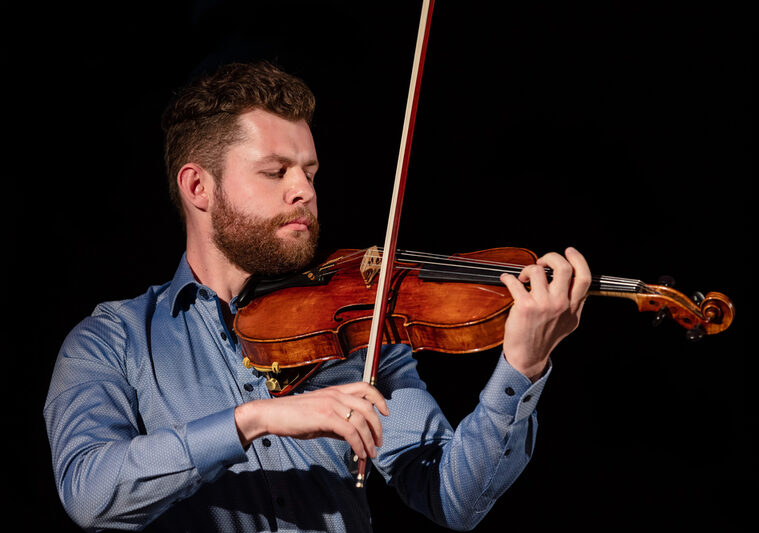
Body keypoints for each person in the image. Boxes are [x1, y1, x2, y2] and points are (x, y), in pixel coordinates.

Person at [44, 61, 592, 532]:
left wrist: (522, 364)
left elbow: (453, 496)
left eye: (309, 171)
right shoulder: (112, 341)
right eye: (275, 171)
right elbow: (90, 491)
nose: (303, 189)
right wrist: (254, 419)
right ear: (198, 188)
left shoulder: (356, 328)